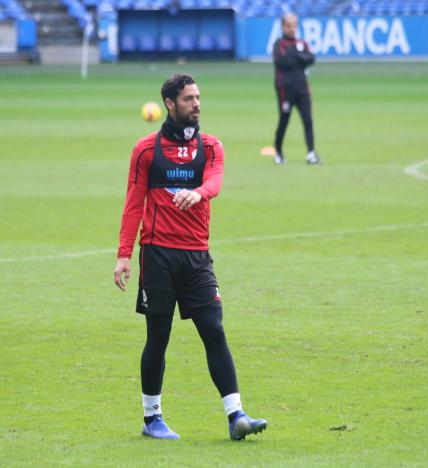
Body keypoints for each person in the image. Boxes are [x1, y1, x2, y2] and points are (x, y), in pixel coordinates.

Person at [113, 74, 267, 441]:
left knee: (214, 329)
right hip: (158, 255)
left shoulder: (211, 147)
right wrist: (123, 255)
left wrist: (198, 193)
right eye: (188, 99)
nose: (196, 104)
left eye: (198, 97)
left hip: (197, 256)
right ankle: (152, 419)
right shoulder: (146, 150)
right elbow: (133, 204)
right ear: (169, 103)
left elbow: (215, 182)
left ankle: (236, 416)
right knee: (158, 335)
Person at [272, 13, 320, 165]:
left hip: (302, 89)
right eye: (288, 25)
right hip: (285, 90)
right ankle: (278, 152)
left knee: (308, 120)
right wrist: (301, 58)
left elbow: (311, 58)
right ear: (283, 26)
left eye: (294, 25)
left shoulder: (302, 43)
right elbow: (282, 61)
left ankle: (311, 153)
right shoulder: (279, 44)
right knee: (284, 120)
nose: (291, 28)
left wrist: (296, 56)